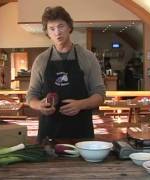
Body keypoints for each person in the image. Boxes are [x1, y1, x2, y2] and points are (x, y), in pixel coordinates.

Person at [26, 6, 105, 143]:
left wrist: (81, 104)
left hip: (81, 131)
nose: (57, 32)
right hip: (49, 132)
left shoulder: (87, 57)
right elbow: (31, 95)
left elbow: (100, 94)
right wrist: (40, 105)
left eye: (61, 26)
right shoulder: (41, 60)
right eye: (52, 28)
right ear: (47, 32)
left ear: (69, 27)